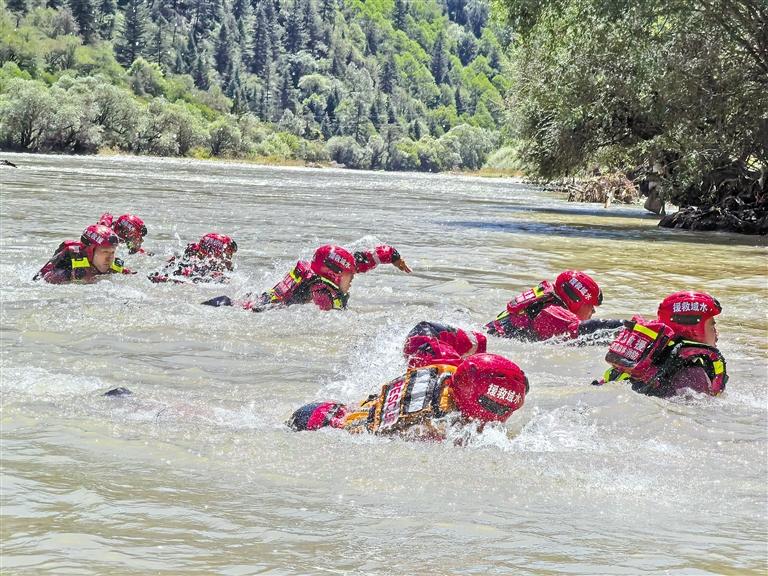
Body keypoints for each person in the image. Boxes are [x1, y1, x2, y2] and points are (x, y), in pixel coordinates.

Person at [287, 322, 528, 440]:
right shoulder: (436, 430)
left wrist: (477, 342)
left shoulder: (444, 369)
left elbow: (424, 330)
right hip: (322, 427)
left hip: (329, 411)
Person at [594, 291, 727, 397]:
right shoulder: (693, 375)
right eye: (712, 325)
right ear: (694, 330)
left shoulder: (642, 360)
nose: (717, 333)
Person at [203, 243, 411, 311]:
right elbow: (334, 317)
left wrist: (394, 257)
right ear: (333, 274)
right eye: (349, 275)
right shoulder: (320, 290)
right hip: (256, 309)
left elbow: (365, 259)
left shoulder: (324, 272)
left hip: (258, 298)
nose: (354, 277)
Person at [485, 270, 623, 342]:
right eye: (590, 306)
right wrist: (627, 326)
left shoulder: (547, 301)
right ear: (575, 301)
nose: (593, 311)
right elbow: (589, 329)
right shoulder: (553, 313)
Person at [34, 224, 133, 284]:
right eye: (105, 252)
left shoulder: (115, 267)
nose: (109, 258)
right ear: (90, 251)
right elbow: (39, 281)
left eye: (112, 252)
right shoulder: (66, 270)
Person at [148, 233, 237, 284]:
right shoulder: (188, 267)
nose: (229, 262)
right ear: (211, 255)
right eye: (227, 257)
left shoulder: (183, 261)